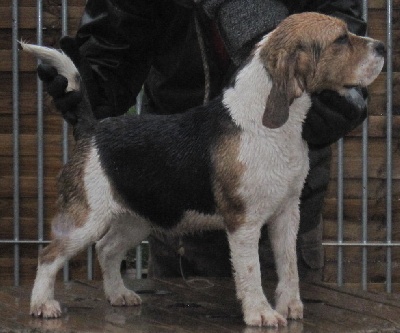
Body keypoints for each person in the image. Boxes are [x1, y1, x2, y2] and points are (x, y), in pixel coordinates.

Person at [40, 0, 368, 281]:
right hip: (175, 196)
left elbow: (341, 78)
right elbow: (113, 47)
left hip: (274, 218)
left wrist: (253, 28)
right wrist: (89, 82)